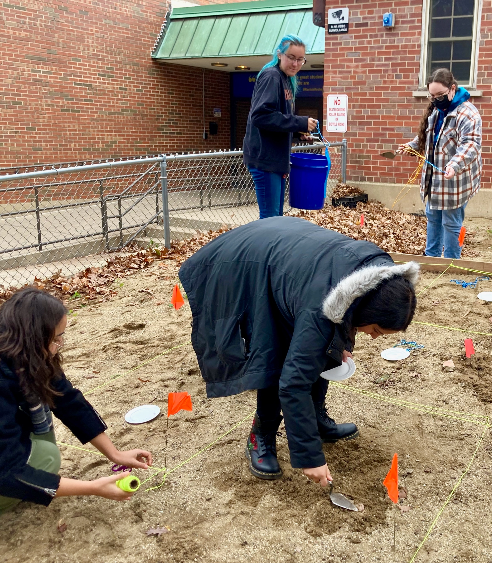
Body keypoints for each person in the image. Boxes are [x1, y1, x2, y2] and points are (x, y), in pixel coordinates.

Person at [178, 216, 418, 487]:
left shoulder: (376, 278)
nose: (374, 337)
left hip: (290, 260)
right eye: (375, 329)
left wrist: (342, 346)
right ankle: (261, 437)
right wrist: (310, 458)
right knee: (273, 355)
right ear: (365, 309)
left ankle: (315, 419)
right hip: (245, 264)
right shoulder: (321, 307)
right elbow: (293, 384)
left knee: (320, 349)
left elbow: (343, 317)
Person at [0, 288, 152, 555]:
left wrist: (114, 453)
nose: (60, 345)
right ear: (33, 337)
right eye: (57, 338)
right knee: (41, 463)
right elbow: (6, 474)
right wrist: (92, 488)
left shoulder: (6, 344)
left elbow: (66, 398)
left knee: (40, 456)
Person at [396, 68, 482, 259]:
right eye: (432, 96)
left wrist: (454, 164)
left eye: (440, 95)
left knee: (451, 222)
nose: (435, 99)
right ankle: (432, 257)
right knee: (433, 218)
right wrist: (411, 146)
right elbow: (428, 139)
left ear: (452, 89)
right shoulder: (436, 111)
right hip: (433, 178)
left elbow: (471, 144)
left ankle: (451, 261)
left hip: (455, 179)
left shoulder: (467, 113)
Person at [243, 34, 319, 219]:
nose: (296, 64)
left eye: (300, 59)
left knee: (276, 218)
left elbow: (276, 122)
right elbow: (261, 116)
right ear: (279, 54)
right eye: (291, 57)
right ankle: (263, 249)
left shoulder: (285, 78)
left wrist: (297, 132)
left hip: (275, 160)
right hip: (266, 160)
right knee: (270, 220)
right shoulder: (272, 76)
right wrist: (299, 122)